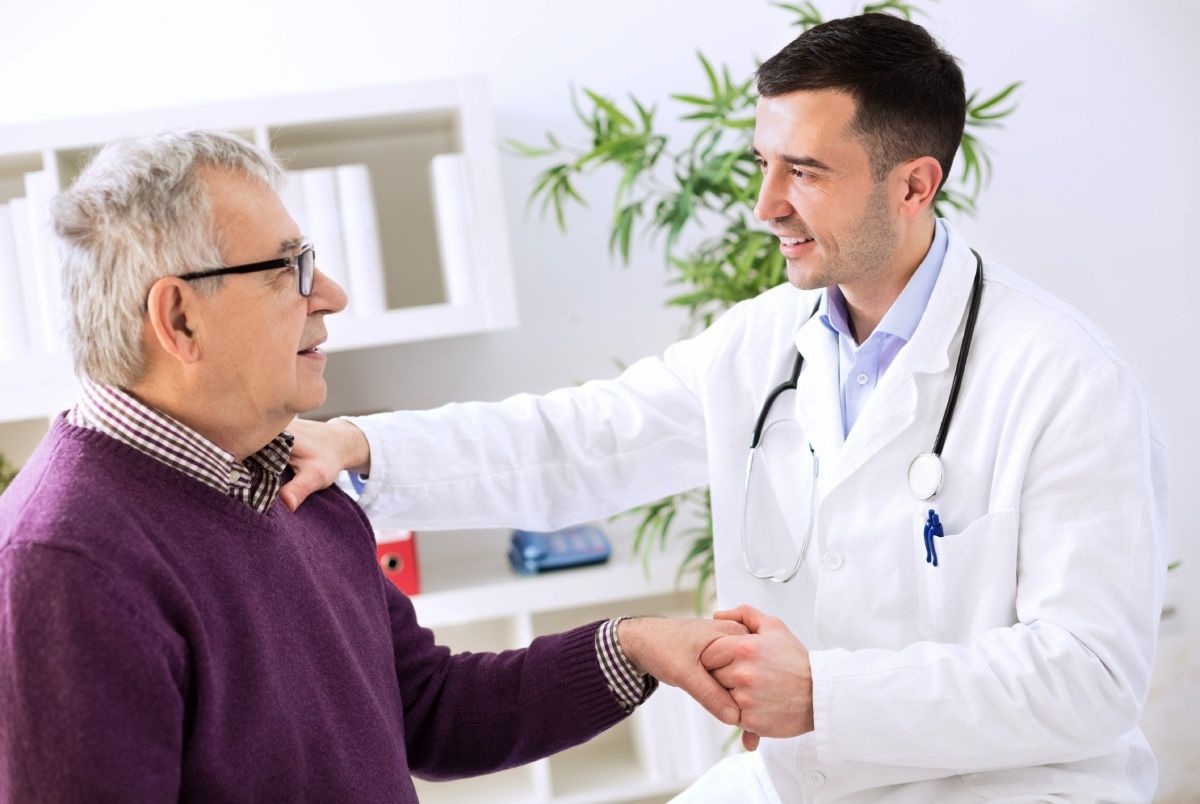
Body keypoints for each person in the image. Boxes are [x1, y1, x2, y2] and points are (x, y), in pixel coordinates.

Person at [283, 12, 1170, 802]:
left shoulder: (1063, 378)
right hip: (805, 775)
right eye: (763, 163)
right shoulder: (762, 343)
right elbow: (581, 438)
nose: (764, 205)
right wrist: (359, 446)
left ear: (913, 185)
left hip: (1008, 783)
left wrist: (824, 693)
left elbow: (1090, 677)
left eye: (807, 172)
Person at [0, 131, 750, 802]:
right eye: (289, 269)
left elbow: (427, 709)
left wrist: (633, 645)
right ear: (180, 318)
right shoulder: (64, 565)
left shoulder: (289, 480)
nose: (330, 294)